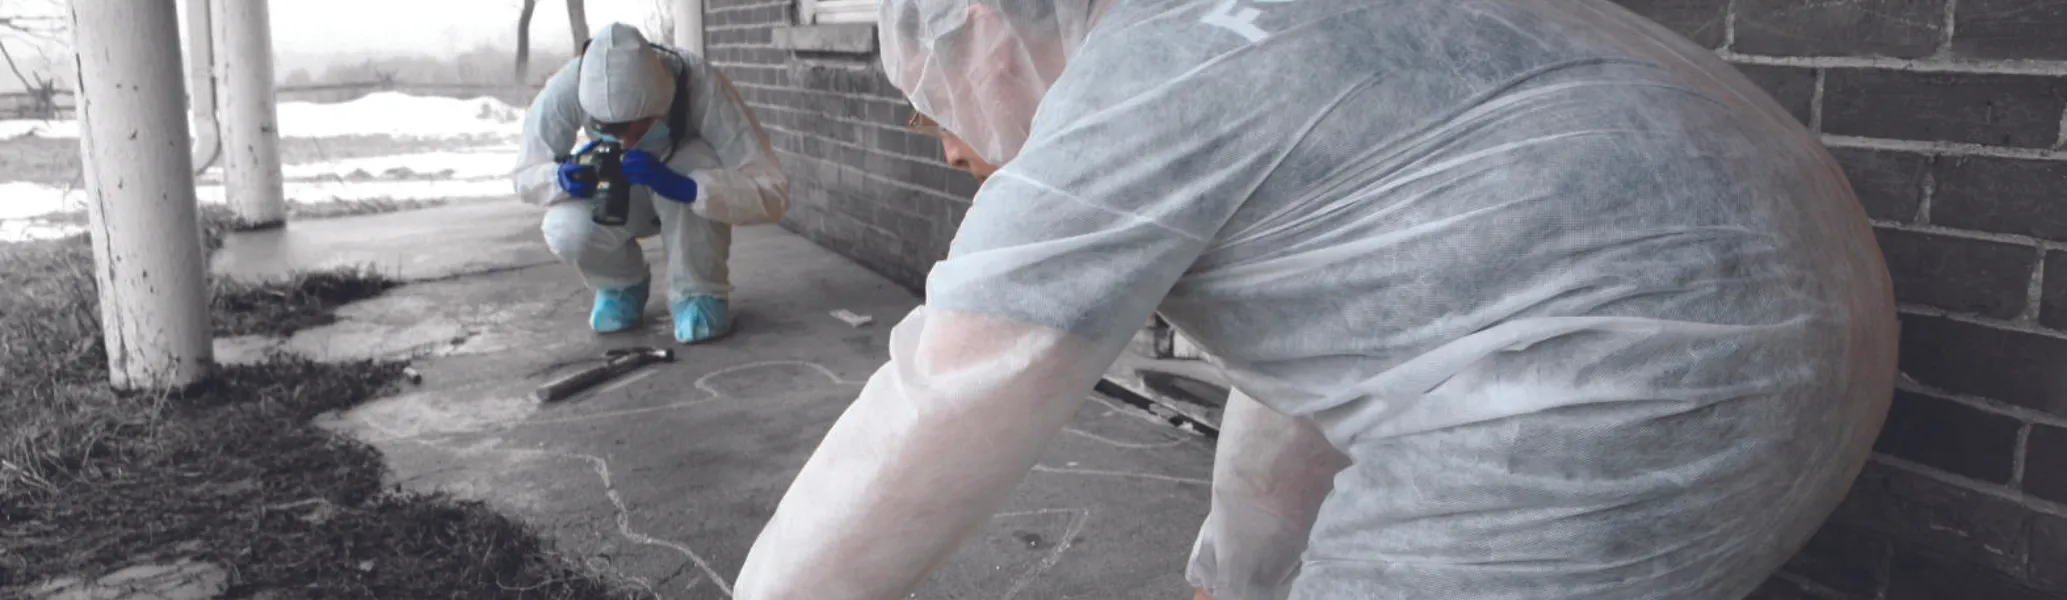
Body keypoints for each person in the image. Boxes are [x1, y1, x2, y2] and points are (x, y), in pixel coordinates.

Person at [734, 0, 1899, 598]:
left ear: (988, 33)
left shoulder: (1148, 80)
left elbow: (941, 400)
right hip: (1813, 335)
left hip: (1625, 381)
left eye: (931, 100)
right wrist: (1231, 582)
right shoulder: (1254, 28)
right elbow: (1317, 378)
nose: (943, 147)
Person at [512, 23, 789, 344]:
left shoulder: (698, 81)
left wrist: (691, 188)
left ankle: (698, 292)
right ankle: (620, 283)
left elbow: (772, 190)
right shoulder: (567, 86)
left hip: (683, 195)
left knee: (695, 162)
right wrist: (558, 178)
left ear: (663, 104)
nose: (628, 144)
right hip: (619, 195)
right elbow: (525, 172)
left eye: (638, 130)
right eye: (613, 133)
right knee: (564, 227)